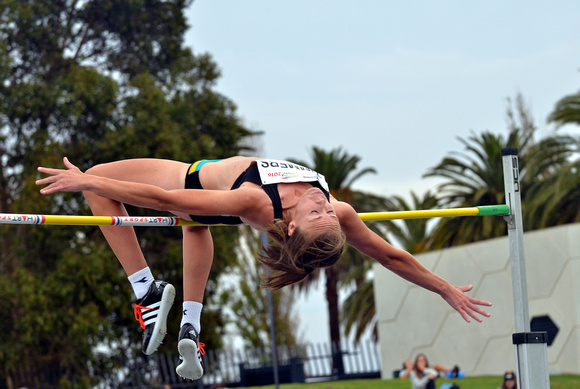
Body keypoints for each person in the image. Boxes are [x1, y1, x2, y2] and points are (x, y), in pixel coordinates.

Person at [36, 156, 492, 381]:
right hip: (211, 202)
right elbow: (390, 255)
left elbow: (167, 200)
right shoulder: (338, 209)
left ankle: (147, 292)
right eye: (327, 212)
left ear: (290, 226)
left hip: (191, 182)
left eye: (319, 214)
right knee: (194, 228)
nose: (324, 206)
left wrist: (87, 179)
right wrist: (444, 288)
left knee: (103, 188)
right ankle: (189, 327)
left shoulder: (257, 201)